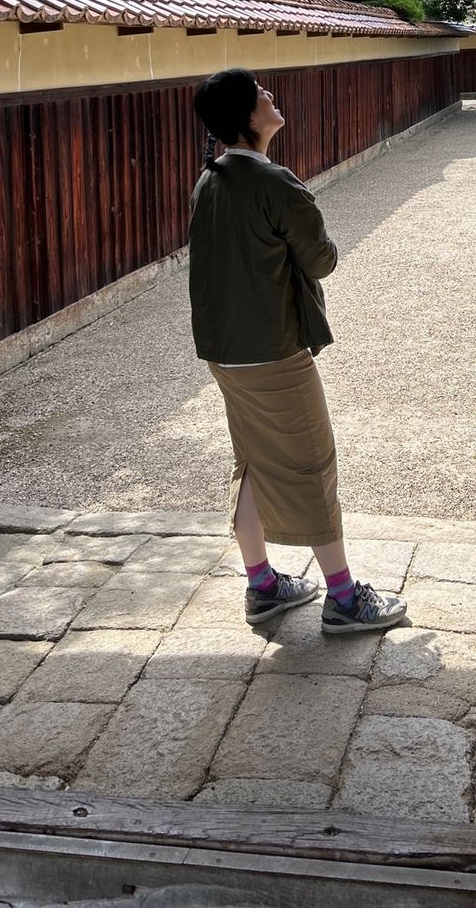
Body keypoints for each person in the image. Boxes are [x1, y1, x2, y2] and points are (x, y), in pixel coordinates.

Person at [188, 67, 407, 636]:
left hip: (224, 349)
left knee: (255, 460)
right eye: (259, 93)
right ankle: (344, 599)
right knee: (310, 462)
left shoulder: (210, 180)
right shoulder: (273, 181)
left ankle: (262, 585)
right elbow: (320, 259)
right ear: (247, 116)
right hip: (273, 348)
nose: (269, 95)